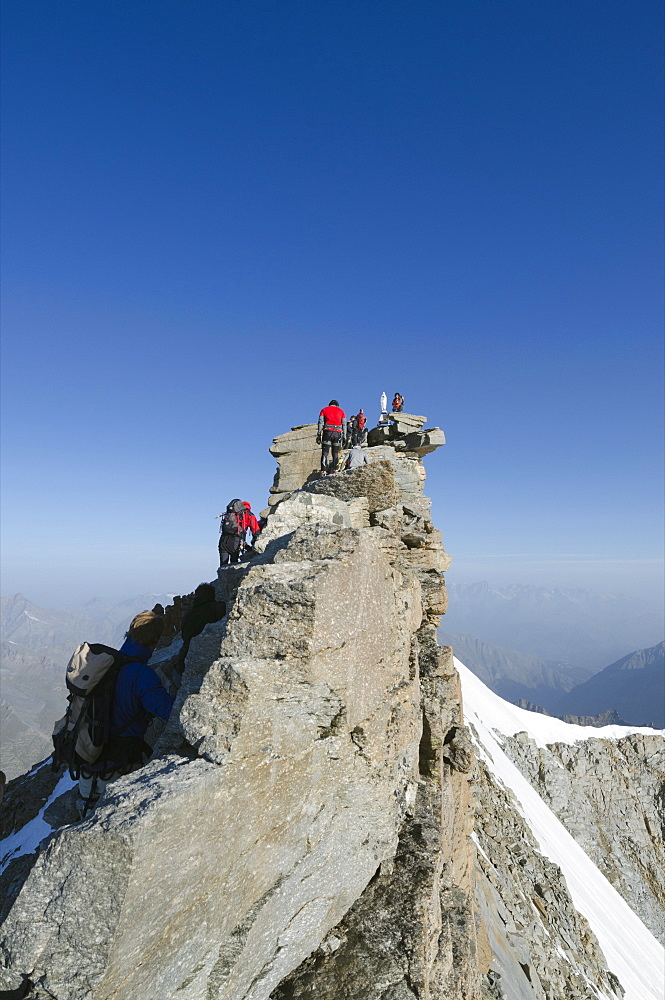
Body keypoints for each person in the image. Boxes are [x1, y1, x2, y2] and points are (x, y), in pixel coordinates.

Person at [77, 611, 174, 817]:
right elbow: (168, 711)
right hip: (120, 770)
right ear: (154, 641)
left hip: (88, 771)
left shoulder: (104, 666)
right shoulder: (141, 674)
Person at [180, 583, 226, 661]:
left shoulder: (188, 615)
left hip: (185, 657)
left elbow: (184, 636)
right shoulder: (217, 607)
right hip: (208, 654)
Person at [317, 399, 347, 474]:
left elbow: (320, 422)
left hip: (327, 432)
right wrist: (344, 436)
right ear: (337, 405)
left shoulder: (324, 410)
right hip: (337, 433)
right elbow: (344, 424)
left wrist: (319, 433)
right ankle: (335, 469)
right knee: (335, 453)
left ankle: (323, 470)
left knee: (325, 453)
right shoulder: (341, 411)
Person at [218, 499, 246, 565]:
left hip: (223, 541)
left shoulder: (227, 515)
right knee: (233, 564)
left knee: (223, 564)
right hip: (235, 542)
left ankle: (222, 575)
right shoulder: (244, 514)